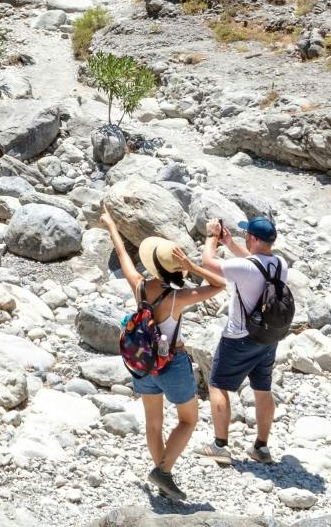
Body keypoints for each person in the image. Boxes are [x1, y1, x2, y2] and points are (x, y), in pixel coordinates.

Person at [101, 211, 225, 502]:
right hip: (172, 363)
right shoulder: (178, 298)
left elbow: (123, 258)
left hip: (143, 365)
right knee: (188, 420)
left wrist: (111, 226)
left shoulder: (141, 287)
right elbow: (219, 285)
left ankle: (161, 476)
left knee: (154, 423)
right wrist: (193, 266)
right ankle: (164, 472)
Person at [201, 215, 287, 465]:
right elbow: (253, 264)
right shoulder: (280, 263)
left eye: (247, 235)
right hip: (268, 337)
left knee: (217, 385)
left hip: (239, 337)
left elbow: (208, 262)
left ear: (252, 238)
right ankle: (261, 447)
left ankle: (220, 446)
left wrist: (211, 237)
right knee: (262, 389)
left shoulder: (246, 268)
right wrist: (230, 244)